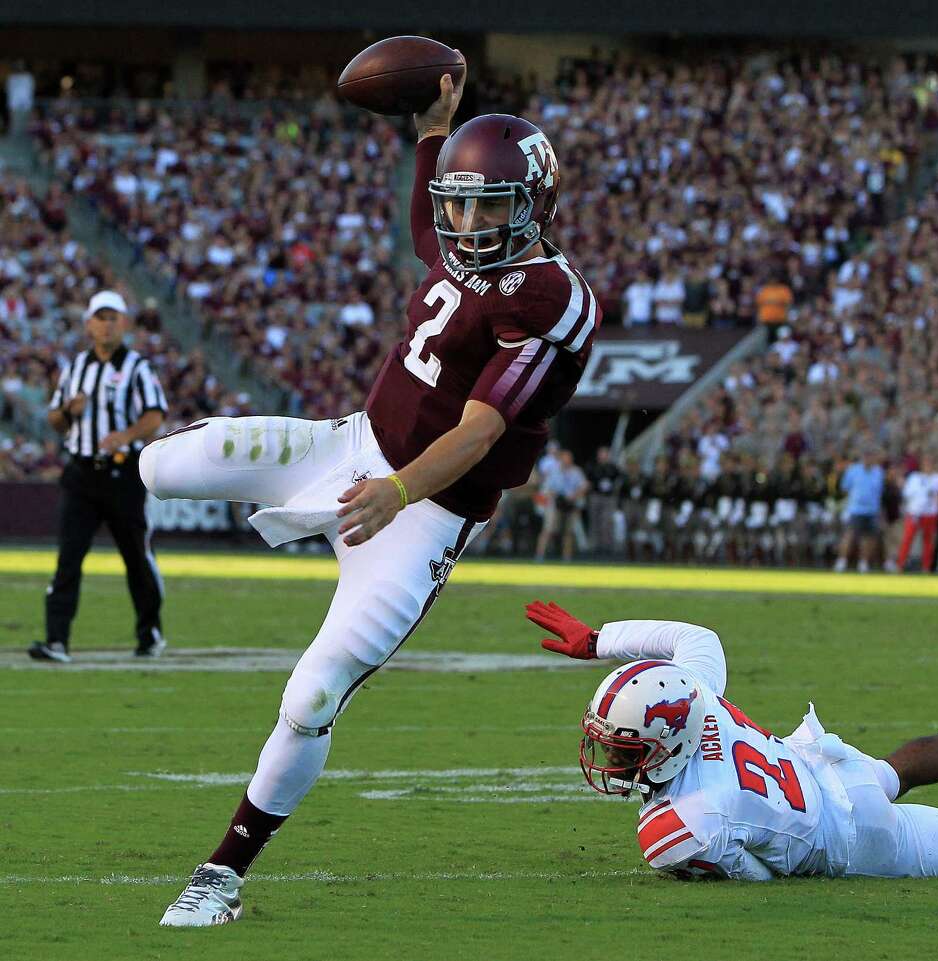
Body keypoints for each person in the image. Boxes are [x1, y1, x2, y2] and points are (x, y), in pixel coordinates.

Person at [145, 64, 601, 926]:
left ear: (537, 203)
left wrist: (395, 492)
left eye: (488, 205)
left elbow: (476, 433)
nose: (466, 222)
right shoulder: (458, 241)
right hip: (348, 447)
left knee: (311, 697)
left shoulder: (552, 299)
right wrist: (436, 123)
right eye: (458, 202)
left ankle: (222, 874)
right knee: (157, 470)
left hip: (419, 516)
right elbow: (429, 207)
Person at [526, 601, 938, 881]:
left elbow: (763, 881)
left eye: (623, 747)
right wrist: (599, 640)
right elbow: (695, 639)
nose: (612, 758)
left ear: (664, 742)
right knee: (892, 769)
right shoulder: (694, 694)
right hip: (825, 767)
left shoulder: (676, 826)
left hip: (855, 841)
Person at [29, 291, 168, 663]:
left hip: (123, 474)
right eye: (100, 317)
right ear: (89, 323)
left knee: (136, 557)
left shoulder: (137, 366)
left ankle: (149, 632)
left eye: (113, 317)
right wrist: (67, 411)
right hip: (80, 474)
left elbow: (156, 414)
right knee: (68, 558)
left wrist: (126, 435)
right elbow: (55, 421)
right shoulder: (76, 368)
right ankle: (56, 640)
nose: (107, 324)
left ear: (123, 323)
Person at [834, 449, 884, 573]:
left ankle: (863, 563)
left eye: (871, 456)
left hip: (872, 510)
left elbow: (879, 492)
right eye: (866, 456)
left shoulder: (878, 472)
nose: (868, 459)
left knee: (867, 539)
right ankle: (841, 562)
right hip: (856, 509)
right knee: (849, 535)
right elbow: (845, 488)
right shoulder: (853, 470)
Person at [534, 448, 589, 561]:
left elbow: (585, 486)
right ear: (560, 459)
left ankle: (566, 557)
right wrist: (557, 495)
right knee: (548, 529)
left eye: (568, 458)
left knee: (569, 532)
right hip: (555, 504)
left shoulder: (576, 472)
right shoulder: (554, 472)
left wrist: (574, 495)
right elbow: (546, 490)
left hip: (571, 505)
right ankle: (539, 555)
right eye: (564, 458)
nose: (566, 460)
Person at [895, 454, 938, 573]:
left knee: (928, 541)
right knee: (907, 538)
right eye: (926, 463)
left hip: (930, 513)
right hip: (914, 513)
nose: (928, 466)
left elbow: (933, 493)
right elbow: (907, 494)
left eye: (930, 463)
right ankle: (900, 564)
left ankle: (926, 567)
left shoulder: (937, 478)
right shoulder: (914, 477)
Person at [585, 446, 623, 556]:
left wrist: (615, 489)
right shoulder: (592, 466)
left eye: (605, 454)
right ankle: (594, 546)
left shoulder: (613, 467)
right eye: (601, 453)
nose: (603, 456)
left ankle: (607, 546)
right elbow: (588, 481)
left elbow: (620, 479)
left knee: (607, 522)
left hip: (609, 497)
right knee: (594, 521)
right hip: (596, 496)